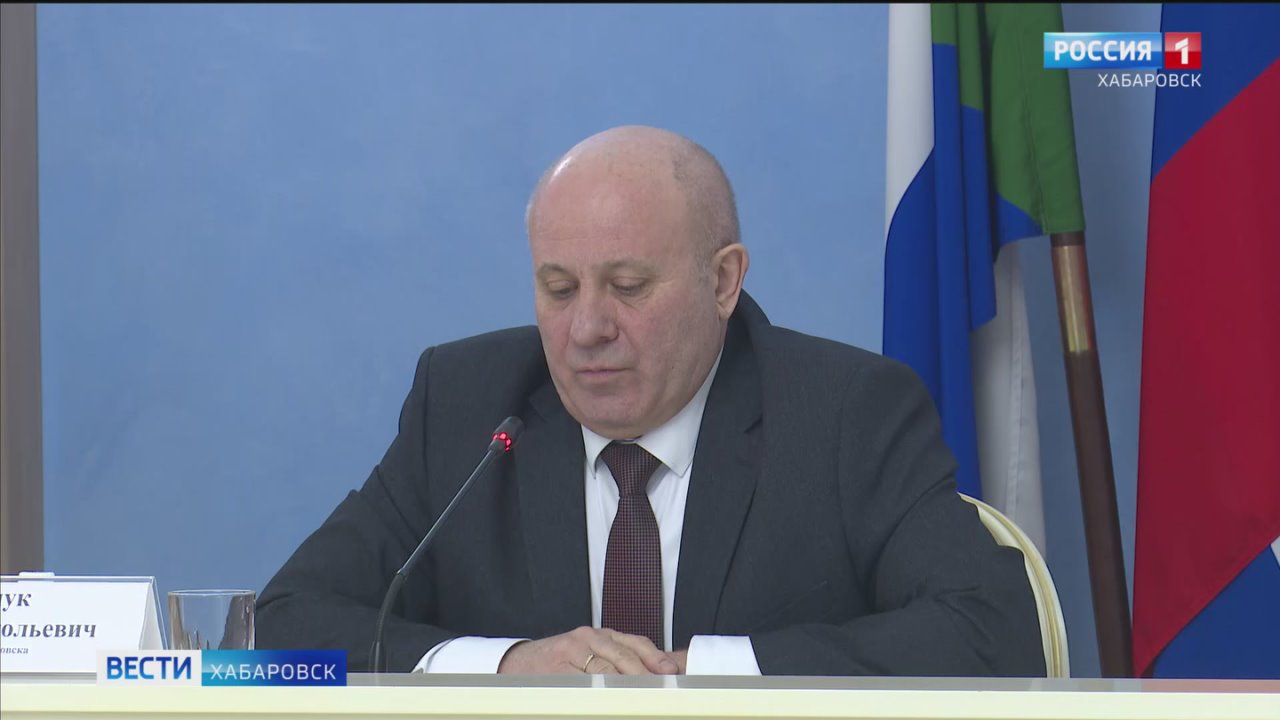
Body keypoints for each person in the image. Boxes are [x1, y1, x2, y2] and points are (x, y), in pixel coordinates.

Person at [256, 125, 1045, 677]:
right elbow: (284, 625)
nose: (586, 329)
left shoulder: (844, 413)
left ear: (724, 281)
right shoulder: (467, 404)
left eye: (628, 286)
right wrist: (507, 666)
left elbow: (995, 631)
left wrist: (704, 675)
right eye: (558, 289)